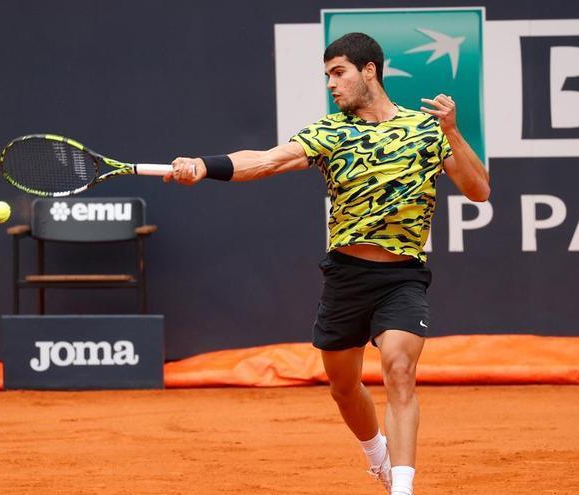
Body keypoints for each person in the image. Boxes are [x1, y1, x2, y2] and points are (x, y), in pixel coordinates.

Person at [164, 32, 489, 494]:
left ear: (369, 70)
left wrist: (453, 131)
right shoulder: (330, 133)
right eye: (327, 76)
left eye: (339, 73)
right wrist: (204, 164)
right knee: (342, 385)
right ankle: (375, 454)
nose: (332, 85)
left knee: (399, 368)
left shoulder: (428, 130)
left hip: (403, 277)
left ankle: (402, 486)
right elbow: (266, 161)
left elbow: (479, 190)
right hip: (347, 276)